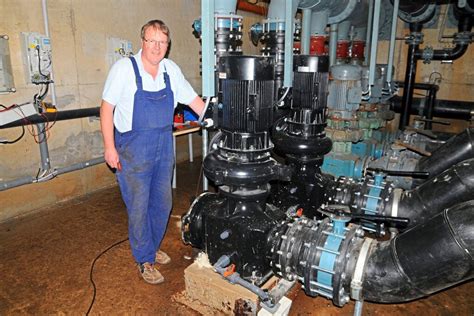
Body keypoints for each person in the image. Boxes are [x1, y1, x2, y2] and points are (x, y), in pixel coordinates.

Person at [100, 20, 205, 284]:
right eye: (152, 41)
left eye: (162, 42)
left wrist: (218, 118)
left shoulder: (170, 70)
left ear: (167, 46)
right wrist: (109, 147)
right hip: (133, 148)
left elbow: (194, 101)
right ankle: (144, 259)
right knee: (138, 206)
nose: (157, 47)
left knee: (162, 203)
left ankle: (152, 247)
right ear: (142, 42)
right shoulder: (124, 69)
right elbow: (106, 108)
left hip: (162, 145)